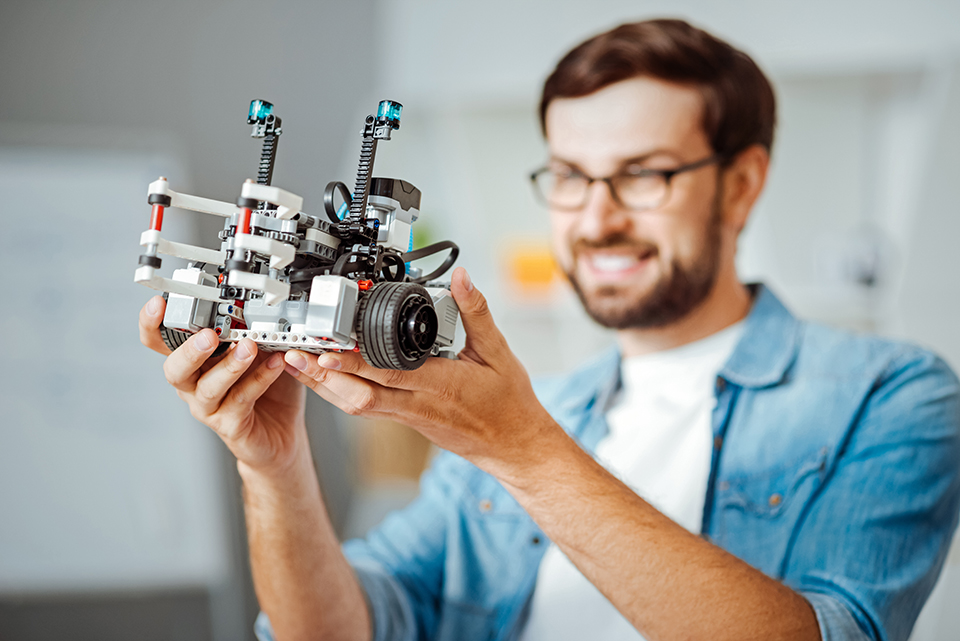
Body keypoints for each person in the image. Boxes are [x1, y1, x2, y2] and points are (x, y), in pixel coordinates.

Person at [138, 19, 960, 641]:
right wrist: (274, 466)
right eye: (569, 176)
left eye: (643, 174)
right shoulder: (540, 408)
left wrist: (522, 450)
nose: (596, 218)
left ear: (742, 185)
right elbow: (344, 626)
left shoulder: (891, 394)